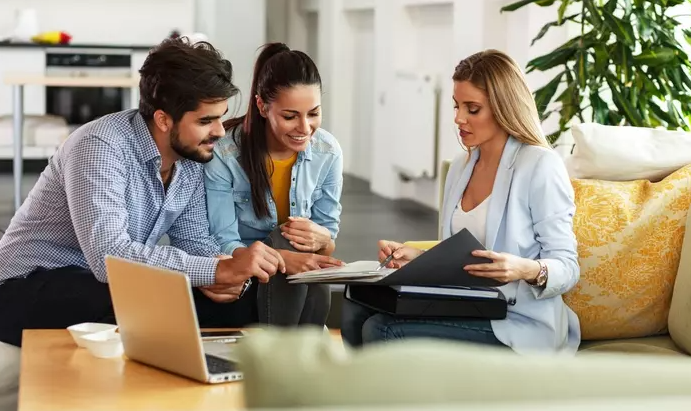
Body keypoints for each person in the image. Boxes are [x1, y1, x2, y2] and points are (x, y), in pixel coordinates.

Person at [0, 38, 286, 350]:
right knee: (140, 303)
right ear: (164, 119)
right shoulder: (99, 146)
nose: (219, 131)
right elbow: (109, 256)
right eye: (206, 120)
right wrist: (216, 270)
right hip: (25, 285)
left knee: (239, 304)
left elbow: (194, 242)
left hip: (102, 283)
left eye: (220, 116)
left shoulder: (190, 158)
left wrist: (226, 272)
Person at [341, 49, 580, 354]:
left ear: (503, 107)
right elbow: (462, 254)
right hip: (468, 304)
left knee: (382, 329)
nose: (458, 118)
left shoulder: (540, 166)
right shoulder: (460, 166)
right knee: (355, 307)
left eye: (472, 108)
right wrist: (417, 257)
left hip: (518, 320)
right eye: (457, 106)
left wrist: (524, 269)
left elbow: (568, 268)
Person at [205, 42, 344, 327]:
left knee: (303, 247)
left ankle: (298, 355)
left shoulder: (328, 151)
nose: (305, 128)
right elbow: (223, 240)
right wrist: (282, 257)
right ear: (262, 106)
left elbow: (327, 241)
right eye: (290, 116)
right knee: (286, 238)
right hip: (246, 270)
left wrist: (322, 239)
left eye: (314, 113)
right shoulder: (225, 153)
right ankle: (294, 354)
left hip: (299, 274)